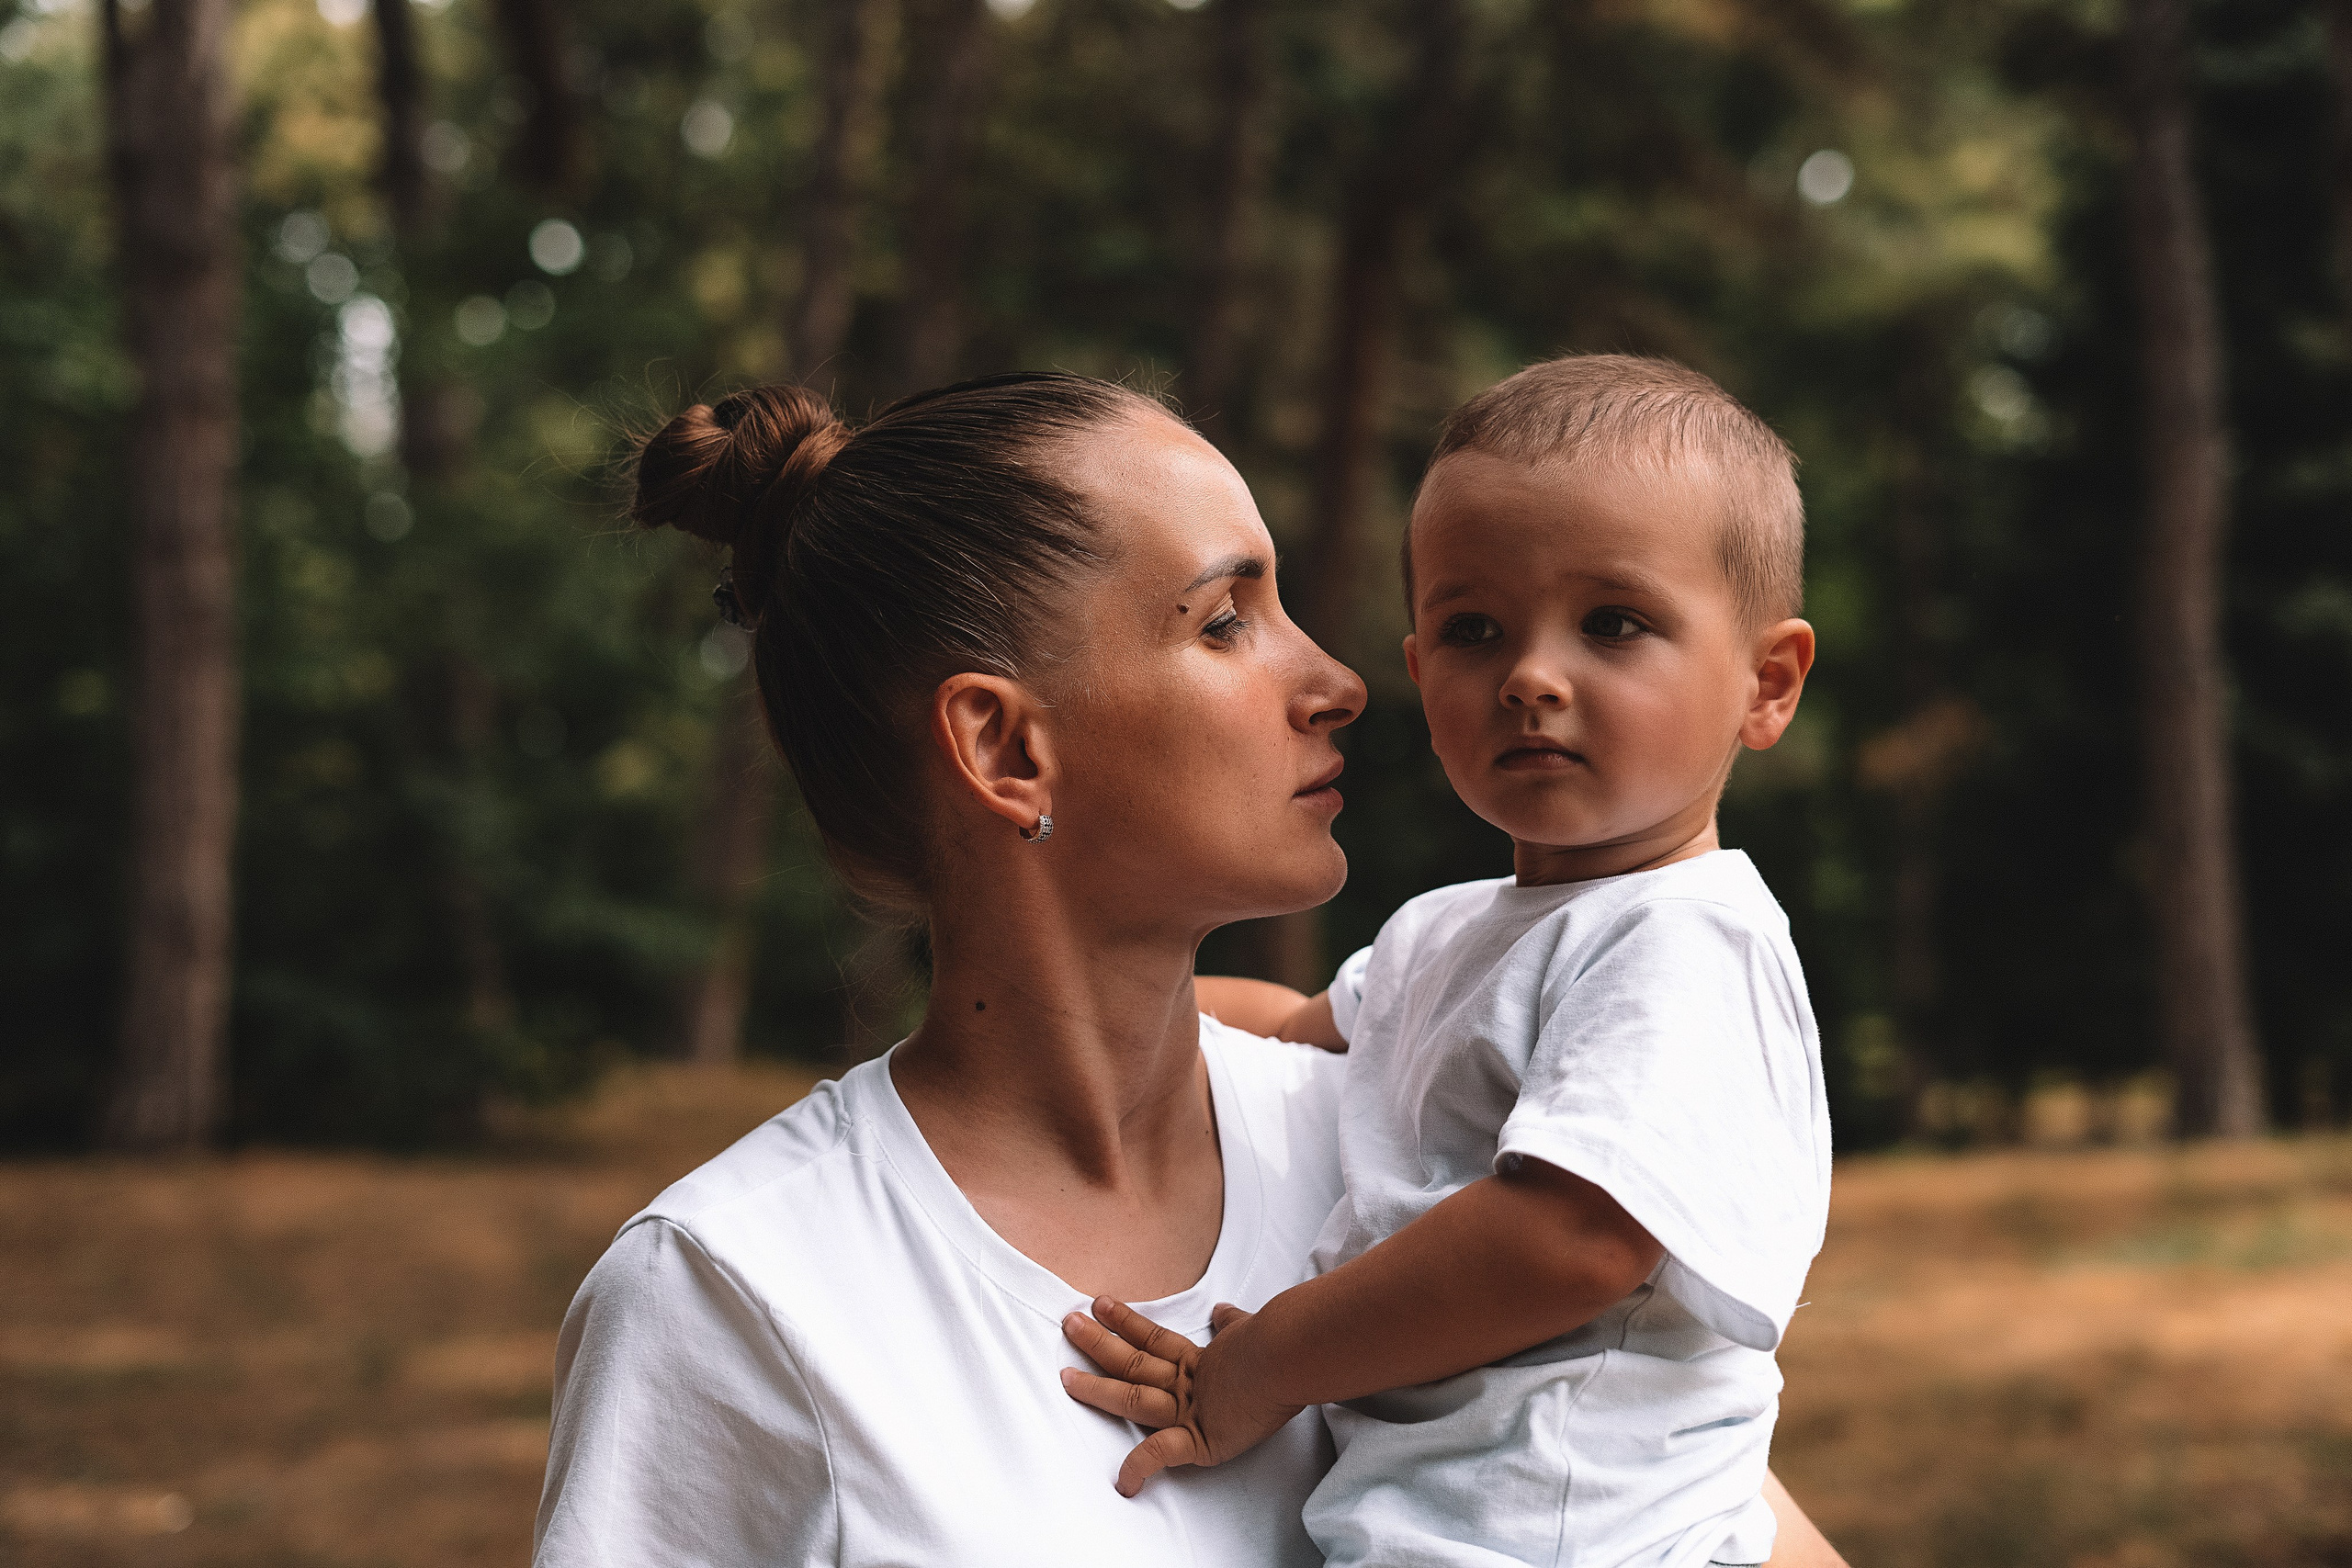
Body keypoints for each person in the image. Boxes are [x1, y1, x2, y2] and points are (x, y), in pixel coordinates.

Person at [532, 371, 1848, 1566]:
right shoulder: (740, 1291)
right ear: (1005, 749)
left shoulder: (1397, 1143)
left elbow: (1688, 1485)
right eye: (1227, 621)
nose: (1338, 681)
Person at [1061, 355, 1829, 1568]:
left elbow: (1572, 1240)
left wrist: (1262, 1365)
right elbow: (1304, 1025)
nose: (1531, 674)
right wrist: (1085, 1005)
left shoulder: (1686, 940)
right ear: (1422, 675)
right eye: (1474, 630)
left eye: (1613, 623)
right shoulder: (1450, 931)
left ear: (1765, 683)